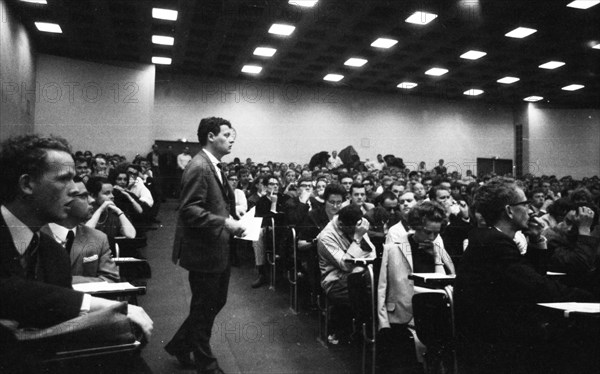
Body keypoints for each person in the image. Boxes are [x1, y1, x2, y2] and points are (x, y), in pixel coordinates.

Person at [0, 134, 153, 369]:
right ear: (27, 184)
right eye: (64, 179)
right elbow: (9, 289)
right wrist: (100, 307)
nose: (75, 190)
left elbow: (56, 329)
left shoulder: (52, 254)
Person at [454, 178, 595, 374]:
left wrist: (536, 239)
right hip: (498, 348)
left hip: (490, 340)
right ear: (509, 211)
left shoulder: (487, 238)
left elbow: (528, 277)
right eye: (525, 204)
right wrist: (589, 298)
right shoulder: (496, 244)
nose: (531, 211)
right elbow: (538, 287)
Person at [165, 117, 245, 374]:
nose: (232, 138)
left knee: (214, 302)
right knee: (204, 306)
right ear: (211, 136)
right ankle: (206, 364)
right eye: (227, 134)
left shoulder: (213, 165)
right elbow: (189, 210)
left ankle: (180, 344)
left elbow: (212, 203)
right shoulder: (199, 166)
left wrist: (232, 216)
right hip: (204, 251)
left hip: (216, 248)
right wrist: (225, 223)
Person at [42, 176, 120, 284]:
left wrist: (68, 281)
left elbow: (111, 279)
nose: (92, 200)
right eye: (83, 196)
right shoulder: (35, 235)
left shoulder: (98, 238)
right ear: (62, 201)